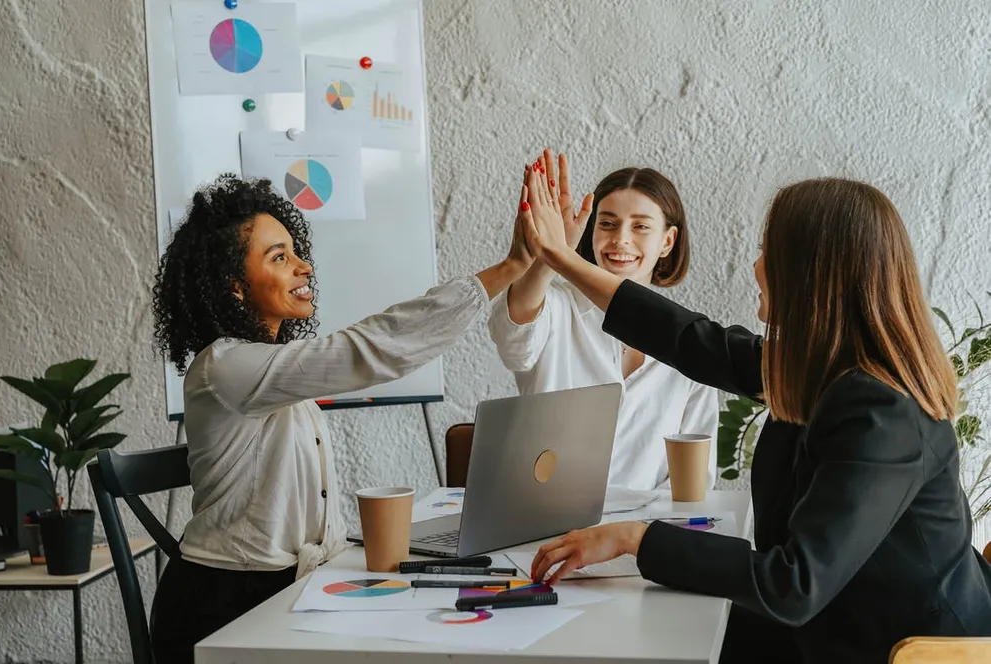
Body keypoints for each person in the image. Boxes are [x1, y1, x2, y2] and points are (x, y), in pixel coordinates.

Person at [518, 161, 991, 663]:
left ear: (812, 273)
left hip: (898, 647)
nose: (757, 266)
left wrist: (636, 538)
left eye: (769, 251)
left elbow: (792, 584)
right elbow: (687, 338)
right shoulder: (821, 368)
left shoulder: (882, 411)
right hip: (832, 621)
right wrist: (557, 257)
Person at [148, 173, 533, 662]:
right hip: (224, 606)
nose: (303, 267)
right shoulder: (225, 367)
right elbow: (365, 352)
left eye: (295, 251)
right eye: (279, 258)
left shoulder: (269, 369)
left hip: (284, 591)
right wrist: (510, 268)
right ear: (234, 287)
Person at [488, 150, 719, 491]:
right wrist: (552, 253)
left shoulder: (691, 341)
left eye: (640, 226)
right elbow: (513, 336)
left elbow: (695, 480)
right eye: (607, 223)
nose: (621, 239)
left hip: (642, 534)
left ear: (667, 241)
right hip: (548, 527)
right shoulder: (556, 307)